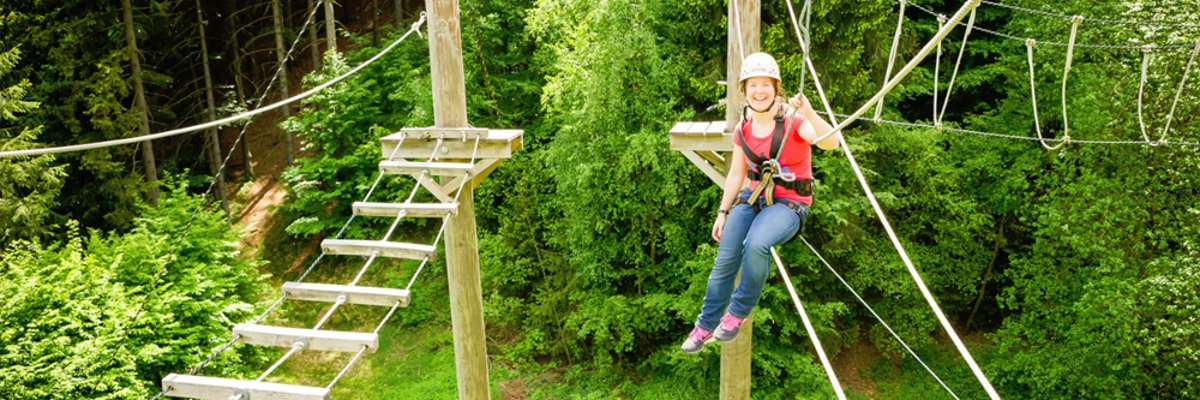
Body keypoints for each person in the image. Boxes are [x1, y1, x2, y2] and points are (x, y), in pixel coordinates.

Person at [681, 52, 840, 353]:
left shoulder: (794, 121)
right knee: (726, 255)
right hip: (754, 197)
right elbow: (736, 174)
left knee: (755, 244)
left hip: (790, 204)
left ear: (776, 88)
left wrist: (811, 113)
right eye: (753, 85)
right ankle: (704, 325)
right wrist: (722, 212)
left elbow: (831, 143)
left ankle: (737, 313)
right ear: (744, 90)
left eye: (765, 84)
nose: (759, 91)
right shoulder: (744, 128)